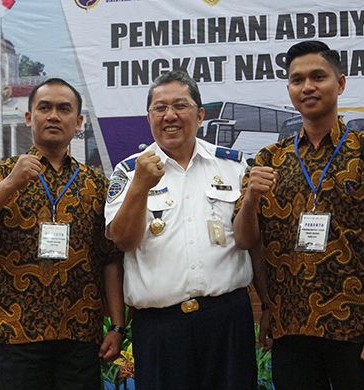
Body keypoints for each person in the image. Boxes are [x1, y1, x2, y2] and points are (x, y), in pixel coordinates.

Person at [233, 40, 364, 389]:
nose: (307, 87)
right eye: (297, 80)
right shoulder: (269, 159)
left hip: (357, 328)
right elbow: (245, 240)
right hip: (291, 327)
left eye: (318, 76)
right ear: (289, 88)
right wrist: (252, 198)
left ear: (341, 83)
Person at [0, 78, 125, 390]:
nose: (54, 116)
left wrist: (116, 325)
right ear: (29, 118)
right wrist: (10, 185)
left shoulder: (97, 183)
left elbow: (110, 258)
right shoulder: (2, 173)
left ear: (79, 122)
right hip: (18, 332)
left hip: (80, 334)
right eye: (44, 108)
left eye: (64, 109)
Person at [104, 70, 256, 390]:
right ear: (148, 118)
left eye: (180, 106)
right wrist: (140, 189)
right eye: (159, 108)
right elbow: (123, 241)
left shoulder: (232, 165)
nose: (169, 116)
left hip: (226, 320)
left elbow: (251, 241)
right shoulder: (129, 171)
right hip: (161, 328)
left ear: (200, 115)